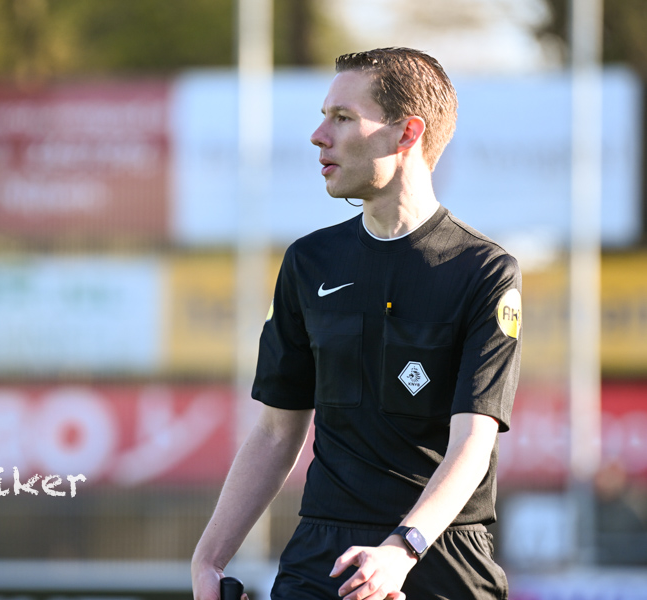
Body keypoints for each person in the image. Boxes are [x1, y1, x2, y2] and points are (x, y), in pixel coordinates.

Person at [191, 47, 521, 600]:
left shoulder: (484, 271)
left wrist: (400, 550)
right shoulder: (308, 263)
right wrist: (208, 560)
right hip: (323, 557)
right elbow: (276, 432)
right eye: (325, 116)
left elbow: (473, 442)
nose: (319, 136)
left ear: (407, 133)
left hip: (438, 555)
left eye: (343, 118)